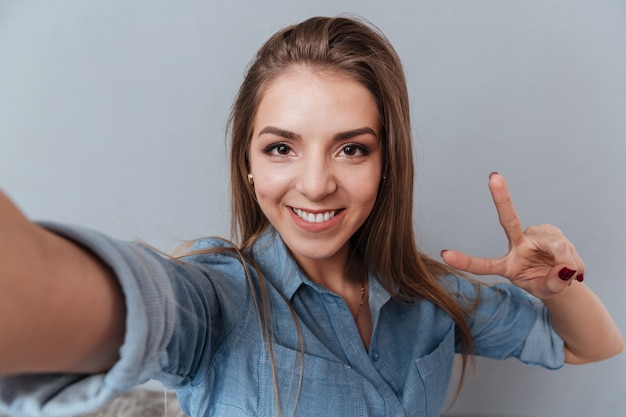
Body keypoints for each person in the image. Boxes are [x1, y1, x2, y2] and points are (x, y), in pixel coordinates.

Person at [0, 16, 622, 417]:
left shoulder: (432, 295)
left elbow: (595, 346)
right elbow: (66, 295)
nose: (317, 183)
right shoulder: (215, 300)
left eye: (352, 148)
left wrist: (554, 288)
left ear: (388, 164)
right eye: (281, 148)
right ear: (248, 164)